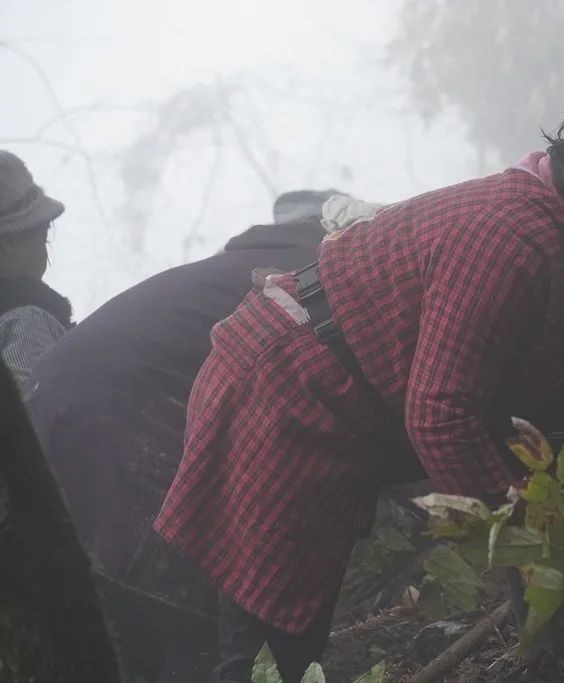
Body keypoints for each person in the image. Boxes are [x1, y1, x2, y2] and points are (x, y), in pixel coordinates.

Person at [155, 94, 564, 682]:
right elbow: (440, 414)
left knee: (288, 630)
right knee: (274, 642)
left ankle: (554, 640)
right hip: (284, 395)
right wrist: (527, 544)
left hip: (335, 401)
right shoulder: (506, 239)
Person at [26, 189, 379, 683]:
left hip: (49, 412)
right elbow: (357, 405)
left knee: (125, 628)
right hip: (123, 421)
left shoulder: (241, 266)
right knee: (199, 621)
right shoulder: (325, 272)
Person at [0, 150, 71, 396]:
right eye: (43, 233)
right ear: (8, 241)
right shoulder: (28, 321)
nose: (46, 248)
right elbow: (30, 424)